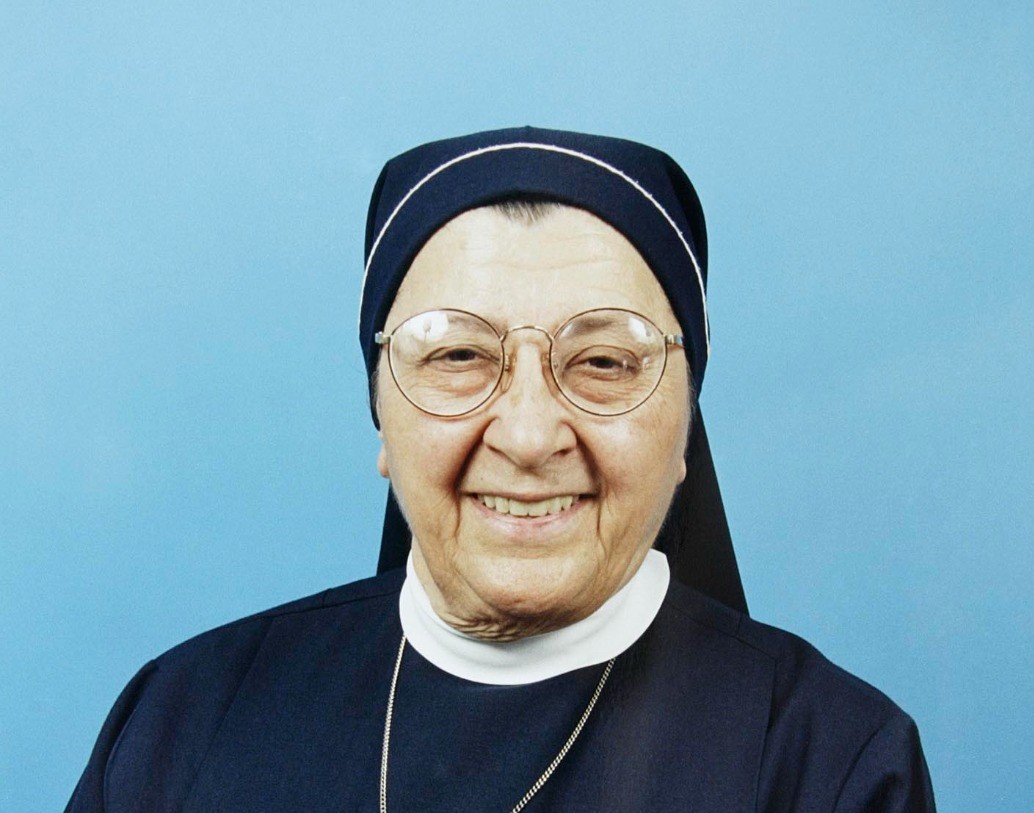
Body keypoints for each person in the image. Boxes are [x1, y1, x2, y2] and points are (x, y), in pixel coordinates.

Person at [65, 127, 936, 812]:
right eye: (458, 356)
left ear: (684, 430)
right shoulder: (186, 720)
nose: (527, 434)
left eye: (604, 362)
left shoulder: (829, 764)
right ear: (380, 412)